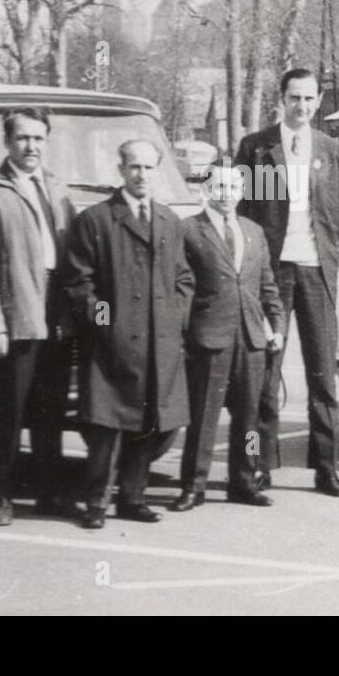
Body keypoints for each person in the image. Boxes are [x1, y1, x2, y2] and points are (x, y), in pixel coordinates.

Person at [64, 139, 195, 529]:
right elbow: (79, 282)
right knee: (107, 427)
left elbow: (183, 278)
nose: (142, 175)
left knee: (149, 423)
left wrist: (174, 317)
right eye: (134, 167)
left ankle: (133, 498)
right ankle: (96, 503)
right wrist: (104, 322)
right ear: (120, 170)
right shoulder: (96, 220)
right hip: (111, 346)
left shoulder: (170, 220)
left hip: (160, 343)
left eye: (149, 168)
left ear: (158, 171)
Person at [234, 68, 339, 497]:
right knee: (266, 374)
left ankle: (326, 468)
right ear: (281, 99)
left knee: (323, 375)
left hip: (316, 273)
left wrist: (320, 255)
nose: (300, 107)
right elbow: (246, 213)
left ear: (318, 102)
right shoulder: (256, 148)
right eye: (293, 98)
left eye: (308, 99)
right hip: (273, 274)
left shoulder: (332, 149)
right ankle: (260, 466)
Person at [0, 106, 78, 525]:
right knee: (7, 412)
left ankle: (49, 492)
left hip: (56, 311)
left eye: (38, 138)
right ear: (7, 143)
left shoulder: (57, 187)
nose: (31, 146)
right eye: (23, 138)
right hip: (16, 312)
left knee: (50, 411)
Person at [172, 164, 284, 511]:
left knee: (249, 420)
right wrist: (183, 333)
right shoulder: (189, 230)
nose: (226, 193)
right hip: (209, 337)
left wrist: (276, 326)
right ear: (205, 189)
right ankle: (193, 486)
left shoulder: (253, 231)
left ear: (242, 191)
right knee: (204, 417)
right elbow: (181, 285)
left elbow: (267, 285)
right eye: (218, 186)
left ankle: (244, 482)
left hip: (251, 340)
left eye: (233, 186)